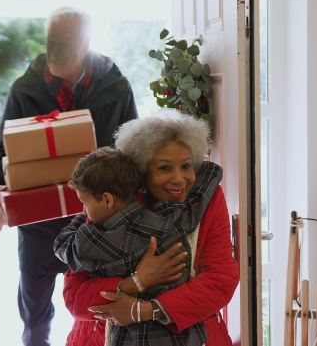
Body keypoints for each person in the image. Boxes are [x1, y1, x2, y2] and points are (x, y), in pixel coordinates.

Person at [0, 7, 138, 346]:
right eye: (50, 40)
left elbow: (131, 155)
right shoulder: (26, 89)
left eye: (64, 42)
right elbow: (0, 156)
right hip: (39, 228)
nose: (53, 51)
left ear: (85, 44)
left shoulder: (116, 87)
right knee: (35, 319)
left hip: (97, 224)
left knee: (99, 312)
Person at [62, 109, 239, 346]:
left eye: (186, 166)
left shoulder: (207, 198)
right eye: (165, 168)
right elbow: (75, 296)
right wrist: (136, 282)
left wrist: (144, 310)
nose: (179, 178)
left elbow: (220, 280)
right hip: (106, 336)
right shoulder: (113, 199)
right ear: (142, 172)